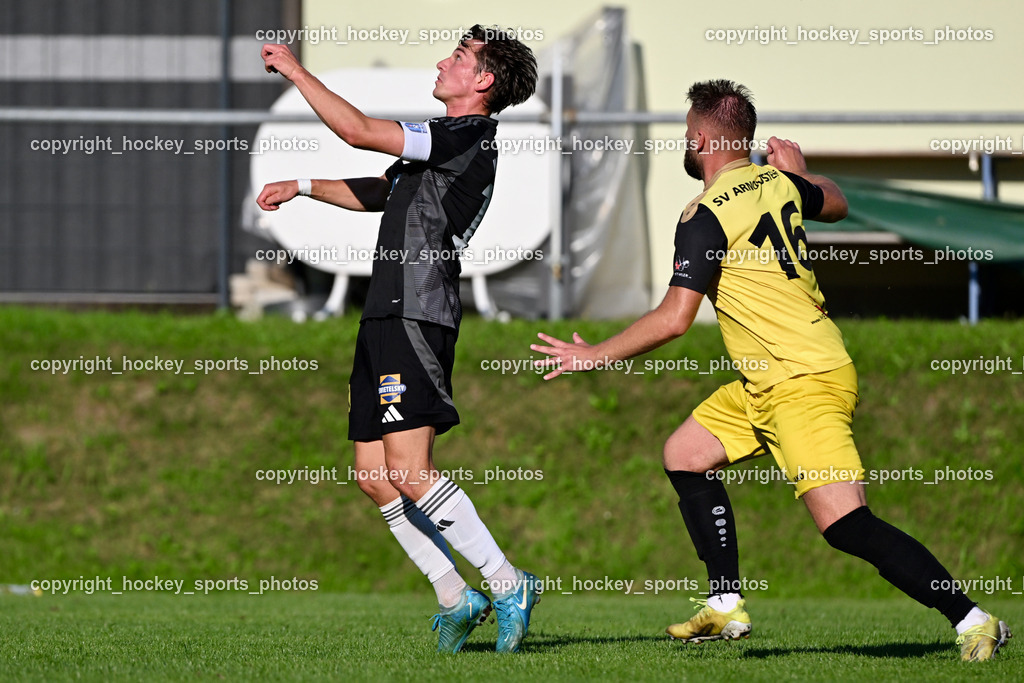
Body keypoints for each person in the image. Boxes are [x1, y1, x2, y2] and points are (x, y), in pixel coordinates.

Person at [531, 79, 1011, 662]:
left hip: (802, 380)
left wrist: (594, 354)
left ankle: (974, 619)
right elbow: (836, 201)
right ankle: (727, 604)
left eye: (686, 136)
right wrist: (804, 173)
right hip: (774, 378)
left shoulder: (703, 214)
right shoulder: (778, 182)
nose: (686, 144)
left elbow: (675, 318)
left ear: (703, 139)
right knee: (684, 453)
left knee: (847, 527)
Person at [256, 25, 541, 654]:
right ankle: (454, 595)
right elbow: (382, 192)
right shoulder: (444, 145)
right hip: (386, 312)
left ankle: (506, 581)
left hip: (417, 311)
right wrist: (303, 186)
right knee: (373, 475)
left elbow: (357, 129)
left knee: (411, 472)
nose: (445, 63)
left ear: (483, 81)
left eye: (460, 58)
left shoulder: (465, 135)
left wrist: (298, 74)